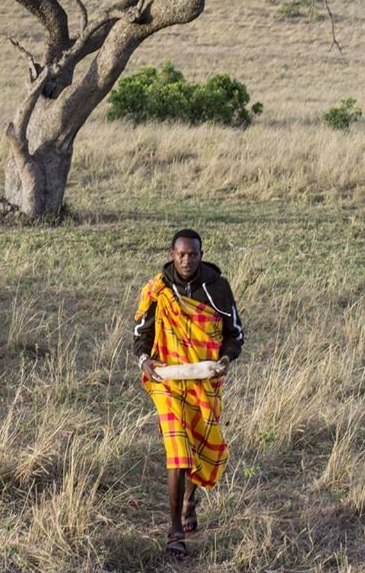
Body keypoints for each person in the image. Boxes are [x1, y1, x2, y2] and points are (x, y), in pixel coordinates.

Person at [133, 228, 244, 560]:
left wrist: (225, 358)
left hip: (204, 381)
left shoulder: (218, 289)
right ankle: (175, 532)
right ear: (172, 254)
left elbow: (235, 334)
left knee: (197, 443)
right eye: (181, 254)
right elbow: (140, 332)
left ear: (200, 254)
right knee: (177, 450)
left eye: (193, 254)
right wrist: (145, 359)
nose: (186, 260)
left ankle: (188, 500)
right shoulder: (158, 290)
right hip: (167, 379)